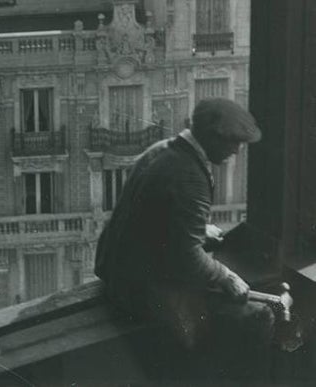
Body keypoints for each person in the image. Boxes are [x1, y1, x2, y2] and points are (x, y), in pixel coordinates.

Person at [96, 98, 273, 364]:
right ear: (212, 137)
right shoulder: (190, 176)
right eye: (233, 141)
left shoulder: (162, 150)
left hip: (114, 271)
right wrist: (226, 276)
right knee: (253, 319)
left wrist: (199, 229)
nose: (237, 150)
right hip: (138, 291)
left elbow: (153, 217)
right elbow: (187, 257)